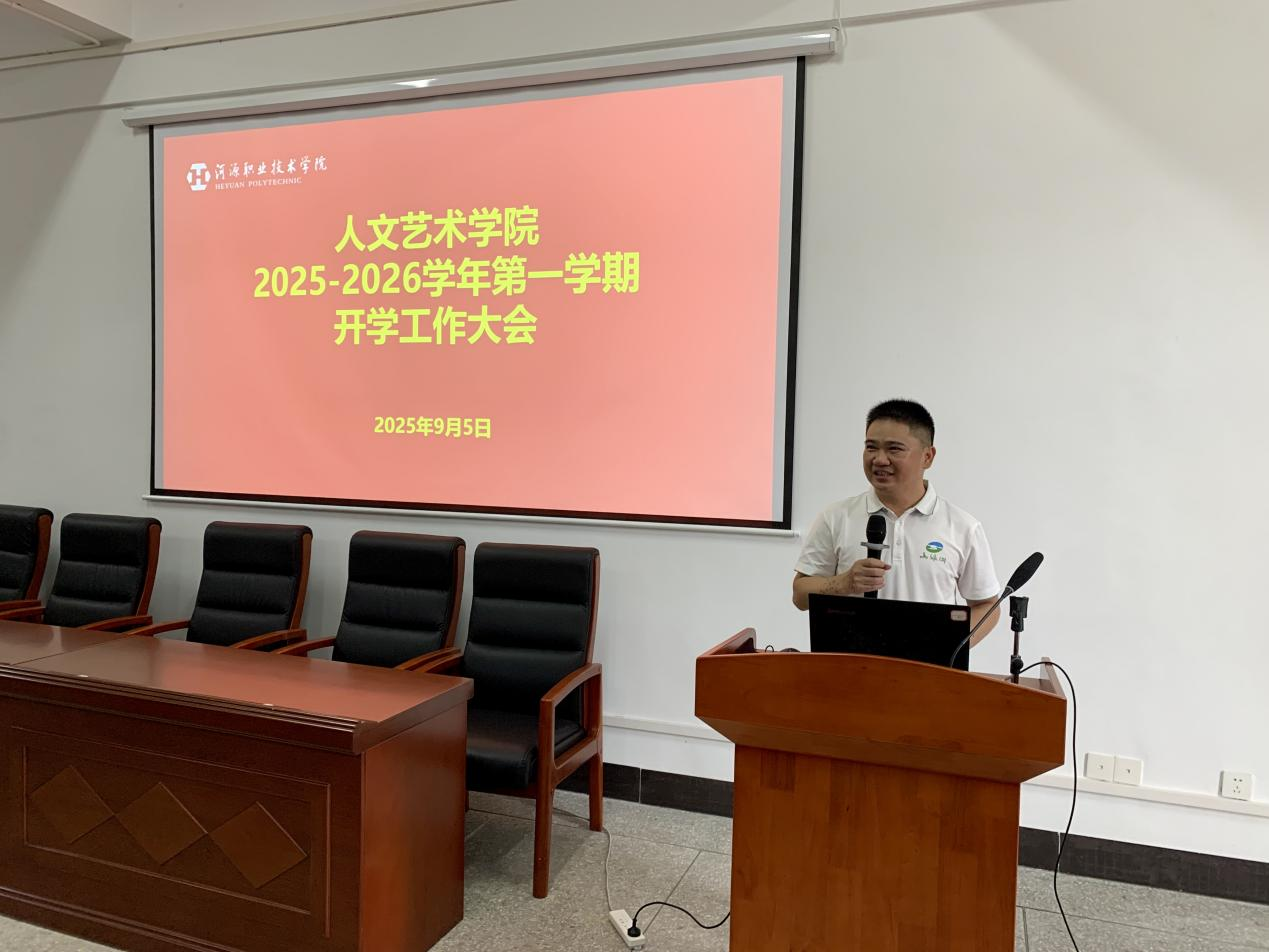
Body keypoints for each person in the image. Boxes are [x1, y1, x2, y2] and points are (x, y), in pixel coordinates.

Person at [792, 399, 1001, 644]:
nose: (880, 459)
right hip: (849, 663)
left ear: (927, 457)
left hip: (926, 666)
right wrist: (843, 583)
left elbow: (987, 605)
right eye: (871, 447)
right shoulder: (836, 517)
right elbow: (800, 595)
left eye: (894, 449)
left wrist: (951, 649)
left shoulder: (963, 527)